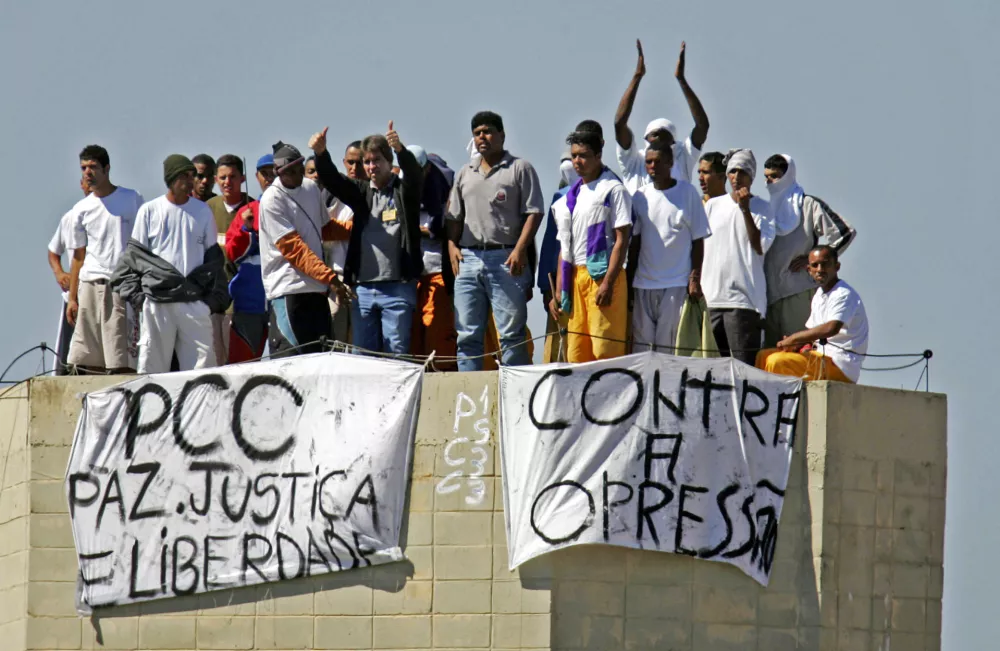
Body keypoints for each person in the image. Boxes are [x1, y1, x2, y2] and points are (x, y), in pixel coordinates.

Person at [310, 122, 422, 355]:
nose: (372, 166)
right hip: (363, 290)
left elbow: (414, 174)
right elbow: (334, 181)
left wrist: (400, 149)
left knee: (397, 354)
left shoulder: (403, 191)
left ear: (389, 161)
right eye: (367, 162)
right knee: (363, 357)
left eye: (377, 160)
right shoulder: (361, 192)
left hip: (398, 288)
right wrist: (320, 154)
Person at [446, 111, 544, 371]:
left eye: (488, 131)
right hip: (468, 260)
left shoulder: (519, 168)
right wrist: (452, 245)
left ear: (502, 134)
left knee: (511, 335)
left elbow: (534, 212)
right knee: (467, 336)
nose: (482, 137)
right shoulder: (464, 173)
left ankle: (517, 393)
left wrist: (520, 250)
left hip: (505, 259)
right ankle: (469, 394)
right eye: (477, 133)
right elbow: (453, 217)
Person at [112, 155, 227, 373]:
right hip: (157, 304)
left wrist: (210, 303)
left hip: (193, 303)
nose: (190, 180)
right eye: (185, 175)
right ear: (171, 179)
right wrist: (140, 299)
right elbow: (132, 261)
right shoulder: (149, 211)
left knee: (203, 371)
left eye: (192, 175)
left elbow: (214, 262)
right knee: (152, 371)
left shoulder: (202, 212)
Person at [259, 140, 350, 357]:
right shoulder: (272, 200)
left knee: (321, 357)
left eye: (301, 168)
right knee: (291, 359)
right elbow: (294, 250)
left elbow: (325, 229)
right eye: (291, 172)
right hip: (288, 290)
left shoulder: (310, 188)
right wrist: (331, 278)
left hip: (317, 290)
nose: (299, 175)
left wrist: (360, 228)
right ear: (278, 172)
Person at [548, 129, 632, 363]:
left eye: (583, 155)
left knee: (605, 350)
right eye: (574, 155)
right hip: (574, 279)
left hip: (602, 275)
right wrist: (557, 290)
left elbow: (622, 239)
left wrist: (608, 282)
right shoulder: (569, 198)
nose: (577, 161)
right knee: (576, 353)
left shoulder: (613, 189)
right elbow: (565, 245)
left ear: (598, 155)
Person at [762, 154, 857, 347]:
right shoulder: (765, 209)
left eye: (775, 176)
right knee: (771, 357)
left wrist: (811, 260)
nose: (769, 182)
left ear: (787, 176)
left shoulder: (807, 205)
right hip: (769, 296)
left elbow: (845, 232)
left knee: (798, 352)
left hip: (798, 291)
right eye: (767, 177)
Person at [66, 145, 144, 373]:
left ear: (107, 168)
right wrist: (72, 298)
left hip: (120, 284)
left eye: (93, 167)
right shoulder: (80, 209)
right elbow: (78, 256)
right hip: (90, 284)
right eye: (83, 168)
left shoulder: (132, 199)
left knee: (120, 357)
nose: (87, 172)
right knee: (85, 357)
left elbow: (143, 245)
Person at [628, 140, 711, 352]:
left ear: (670, 162)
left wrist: (694, 278)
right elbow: (635, 243)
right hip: (643, 284)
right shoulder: (640, 197)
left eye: (657, 162)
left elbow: (698, 240)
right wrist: (629, 283)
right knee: (642, 350)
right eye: (648, 162)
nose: (652, 167)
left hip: (675, 284)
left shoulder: (688, 193)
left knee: (668, 349)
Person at [702, 149, 775, 365]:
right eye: (732, 172)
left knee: (743, 370)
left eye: (742, 172)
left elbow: (759, 246)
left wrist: (745, 210)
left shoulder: (763, 208)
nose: (736, 177)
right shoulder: (713, 205)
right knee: (712, 370)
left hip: (743, 303)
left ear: (751, 177)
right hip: (712, 299)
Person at [756, 245, 868, 383]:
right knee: (763, 356)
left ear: (837, 266)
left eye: (825, 264)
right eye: (815, 265)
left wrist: (794, 339)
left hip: (840, 364)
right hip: (819, 357)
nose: (820, 269)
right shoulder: (819, 295)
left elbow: (831, 328)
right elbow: (813, 334)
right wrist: (796, 344)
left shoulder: (843, 293)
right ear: (809, 270)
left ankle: (780, 402)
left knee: (776, 362)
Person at [614, 40, 710, 193]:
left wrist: (681, 80)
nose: (658, 137)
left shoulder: (682, 157)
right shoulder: (634, 161)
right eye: (654, 134)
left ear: (673, 141)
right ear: (646, 139)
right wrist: (637, 76)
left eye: (663, 134)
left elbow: (702, 126)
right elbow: (619, 124)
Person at [407, 144, 458, 368]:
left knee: (438, 337)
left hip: (438, 273)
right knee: (414, 340)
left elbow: (447, 227)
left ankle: (442, 384)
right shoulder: (402, 189)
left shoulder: (444, 190)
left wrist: (413, 230)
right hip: (411, 277)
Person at [223, 153, 277, 364]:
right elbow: (232, 252)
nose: (270, 177)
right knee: (242, 365)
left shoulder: (292, 207)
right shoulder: (247, 211)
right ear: (257, 177)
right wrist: (246, 228)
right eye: (264, 173)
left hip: (281, 300)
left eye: (274, 172)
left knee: (284, 364)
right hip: (248, 303)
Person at [47, 177, 92, 375]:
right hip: (74, 299)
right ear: (81, 184)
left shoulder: (111, 214)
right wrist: (59, 273)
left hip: (99, 293)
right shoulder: (71, 217)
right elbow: (53, 251)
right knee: (68, 360)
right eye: (86, 182)